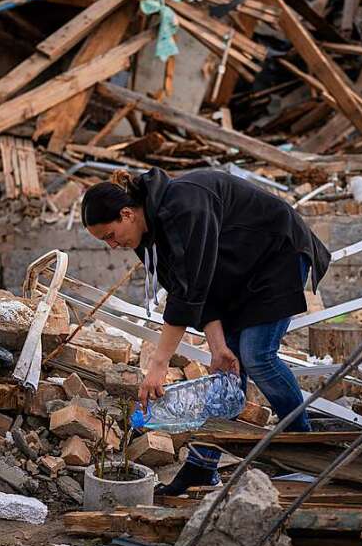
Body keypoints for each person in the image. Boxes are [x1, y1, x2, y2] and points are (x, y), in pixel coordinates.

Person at [81, 166, 330, 495]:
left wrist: (158, 364)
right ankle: (201, 468)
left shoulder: (185, 205)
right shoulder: (147, 234)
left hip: (276, 253)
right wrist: (217, 346)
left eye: (110, 235)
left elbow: (190, 292)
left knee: (256, 354)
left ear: (127, 213)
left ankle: (305, 451)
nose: (113, 245)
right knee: (227, 369)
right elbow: (191, 285)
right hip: (236, 271)